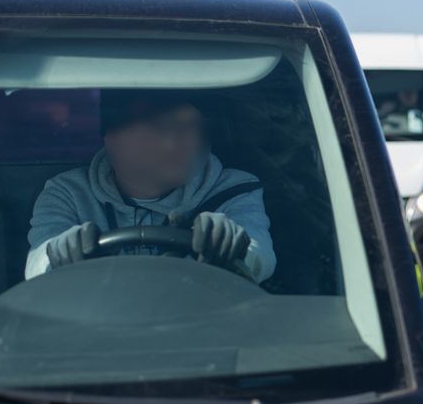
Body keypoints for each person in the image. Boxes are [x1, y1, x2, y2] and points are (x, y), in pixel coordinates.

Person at [26, 91, 276, 284]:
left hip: (201, 327)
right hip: (96, 327)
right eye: (164, 126)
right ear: (112, 136)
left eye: (195, 127)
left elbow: (260, 255)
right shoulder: (68, 192)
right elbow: (37, 265)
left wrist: (234, 245)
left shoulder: (234, 189)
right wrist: (60, 252)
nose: (188, 141)